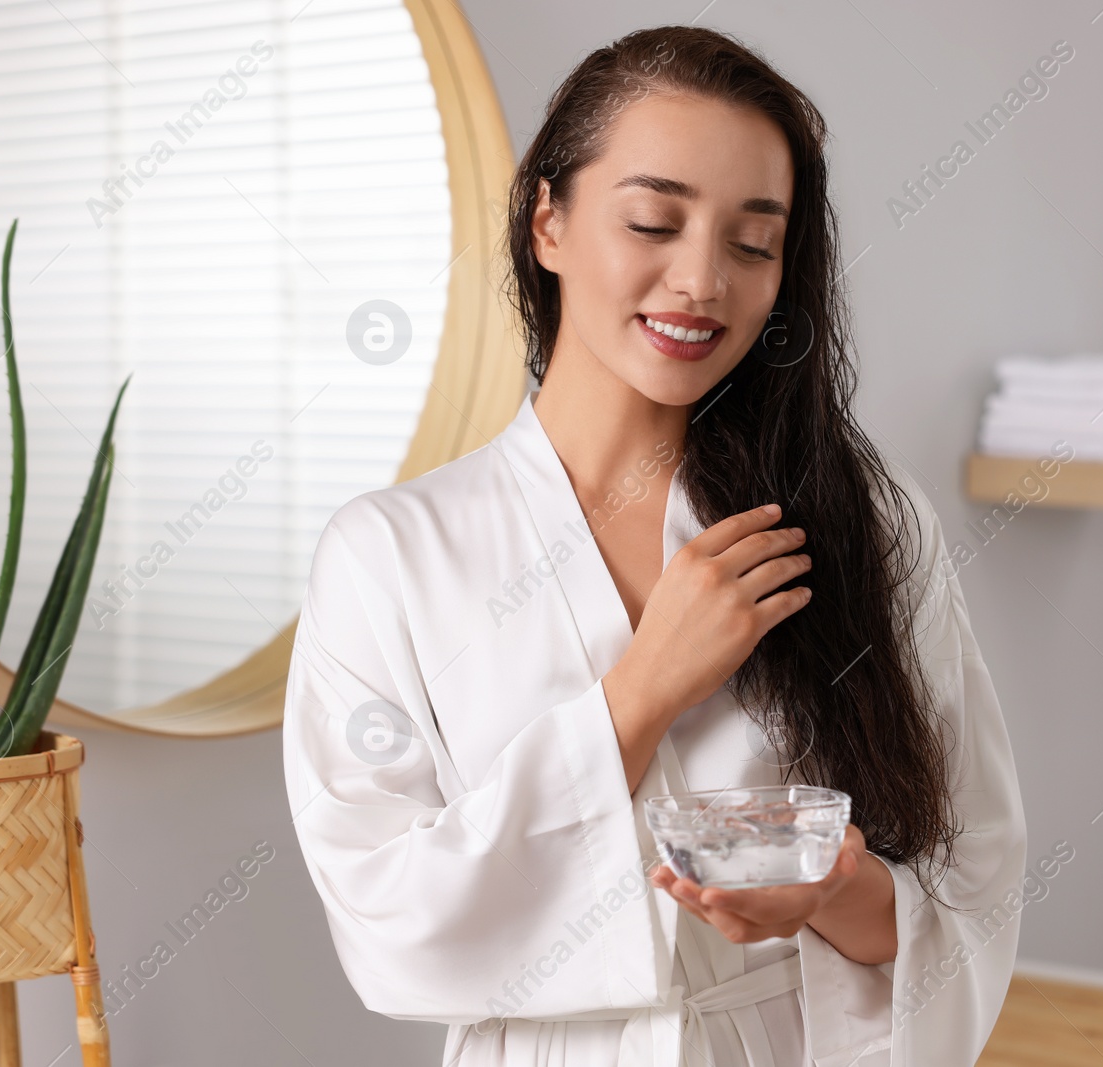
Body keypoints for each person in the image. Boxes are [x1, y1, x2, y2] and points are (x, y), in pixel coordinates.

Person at [282, 24, 1027, 1067]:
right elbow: (387, 918)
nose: (701, 280)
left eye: (751, 243)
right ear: (547, 220)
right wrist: (642, 688)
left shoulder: (864, 519)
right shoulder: (391, 554)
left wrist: (833, 892)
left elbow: (972, 884)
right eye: (652, 220)